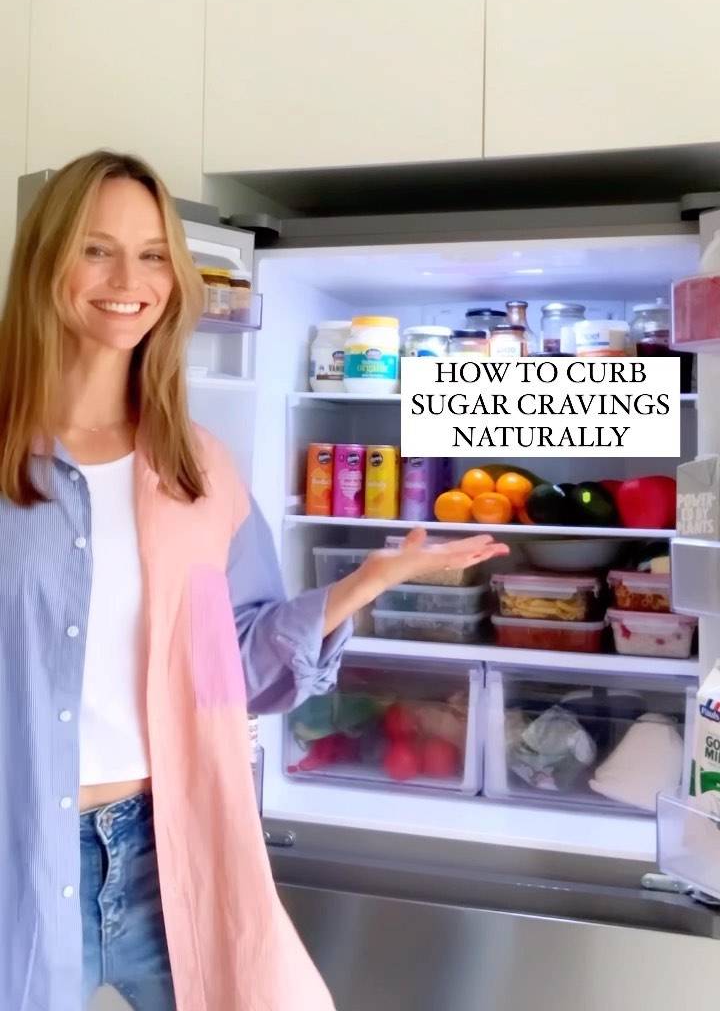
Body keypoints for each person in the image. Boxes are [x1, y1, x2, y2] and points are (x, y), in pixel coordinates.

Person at [0, 150, 509, 1011]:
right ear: (47, 260)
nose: (128, 281)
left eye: (152, 255)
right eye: (96, 250)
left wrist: (366, 581)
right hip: (18, 855)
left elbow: (229, 668)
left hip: (171, 851)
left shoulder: (197, 470)